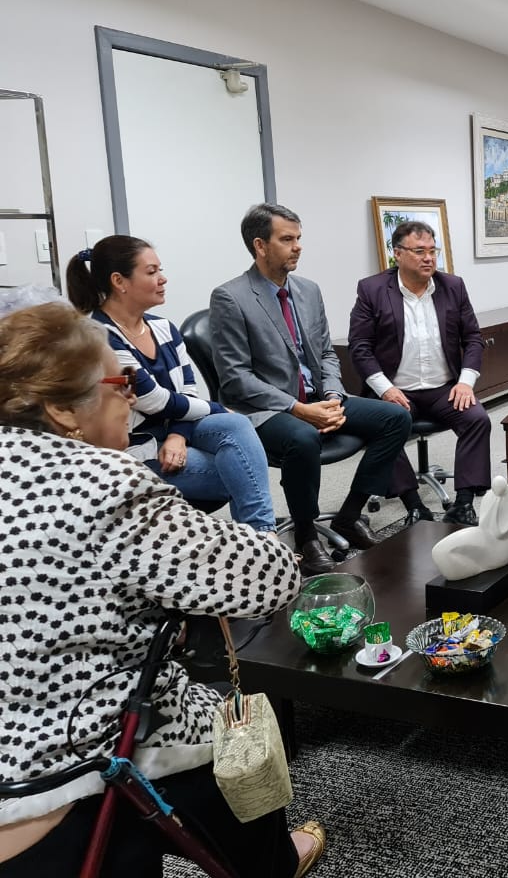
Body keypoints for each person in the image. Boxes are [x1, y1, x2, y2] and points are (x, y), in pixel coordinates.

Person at [0, 302, 324, 877]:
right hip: (79, 755)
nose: (133, 398)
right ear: (62, 409)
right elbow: (269, 580)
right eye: (121, 384)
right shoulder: (104, 484)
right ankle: (271, 863)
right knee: (227, 728)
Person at [209, 202, 411, 573]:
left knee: (395, 418)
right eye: (287, 239)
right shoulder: (230, 297)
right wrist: (299, 409)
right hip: (265, 408)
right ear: (260, 245)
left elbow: (326, 354)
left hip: (318, 397)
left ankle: (349, 516)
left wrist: (332, 396)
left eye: (298, 238)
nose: (298, 246)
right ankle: (305, 534)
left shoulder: (308, 290)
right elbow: (236, 377)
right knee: (303, 438)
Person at [66, 235, 276, 534]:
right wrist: (216, 408)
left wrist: (178, 434)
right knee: (242, 471)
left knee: (237, 427)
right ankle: (261, 540)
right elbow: (153, 400)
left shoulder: (164, 327)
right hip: (137, 449)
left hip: (175, 433)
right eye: (152, 272)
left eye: (160, 270)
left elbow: (187, 391)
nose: (163, 279)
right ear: (119, 281)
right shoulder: (99, 337)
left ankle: (260, 537)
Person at [348, 220, 488, 527]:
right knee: (385, 425)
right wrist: (385, 389)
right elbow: (359, 347)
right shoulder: (372, 290)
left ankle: (464, 504)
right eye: (419, 251)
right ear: (397, 254)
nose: (428, 258)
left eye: (433, 251)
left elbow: (473, 338)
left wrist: (466, 382)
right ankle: (413, 504)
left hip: (443, 389)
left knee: (477, 419)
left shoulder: (452, 286)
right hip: (396, 389)